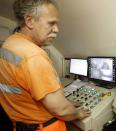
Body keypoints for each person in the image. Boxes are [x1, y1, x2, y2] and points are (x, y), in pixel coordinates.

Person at [0, 0, 91, 131]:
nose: (57, 29)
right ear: (29, 21)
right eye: (51, 23)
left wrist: (67, 102)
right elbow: (62, 110)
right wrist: (78, 113)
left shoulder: (9, 43)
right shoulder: (33, 56)